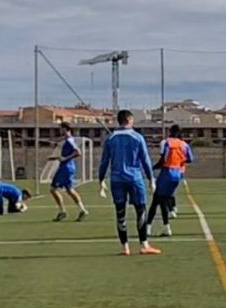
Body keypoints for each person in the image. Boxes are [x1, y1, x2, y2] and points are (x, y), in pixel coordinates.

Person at [99, 109, 161, 256]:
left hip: (116, 179)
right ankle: (144, 244)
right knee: (141, 210)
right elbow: (145, 160)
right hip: (134, 178)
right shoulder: (137, 137)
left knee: (120, 212)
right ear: (129, 120)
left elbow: (104, 161)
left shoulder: (110, 138)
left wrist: (101, 179)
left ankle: (125, 247)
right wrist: (151, 179)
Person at [146, 124, 193, 237]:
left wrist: (152, 168)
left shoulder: (167, 142)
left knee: (155, 201)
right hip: (177, 174)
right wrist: (180, 161)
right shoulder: (184, 144)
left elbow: (163, 160)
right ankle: (166, 228)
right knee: (163, 200)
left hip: (167, 173)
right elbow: (190, 159)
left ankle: (148, 227)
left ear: (170, 131)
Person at [48, 122, 90, 222]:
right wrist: (55, 158)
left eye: (61, 128)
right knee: (69, 190)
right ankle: (82, 210)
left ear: (65, 129)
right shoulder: (66, 140)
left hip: (65, 168)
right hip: (66, 167)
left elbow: (78, 152)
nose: (60, 130)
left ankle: (62, 211)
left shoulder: (70, 140)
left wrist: (65, 158)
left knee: (53, 189)